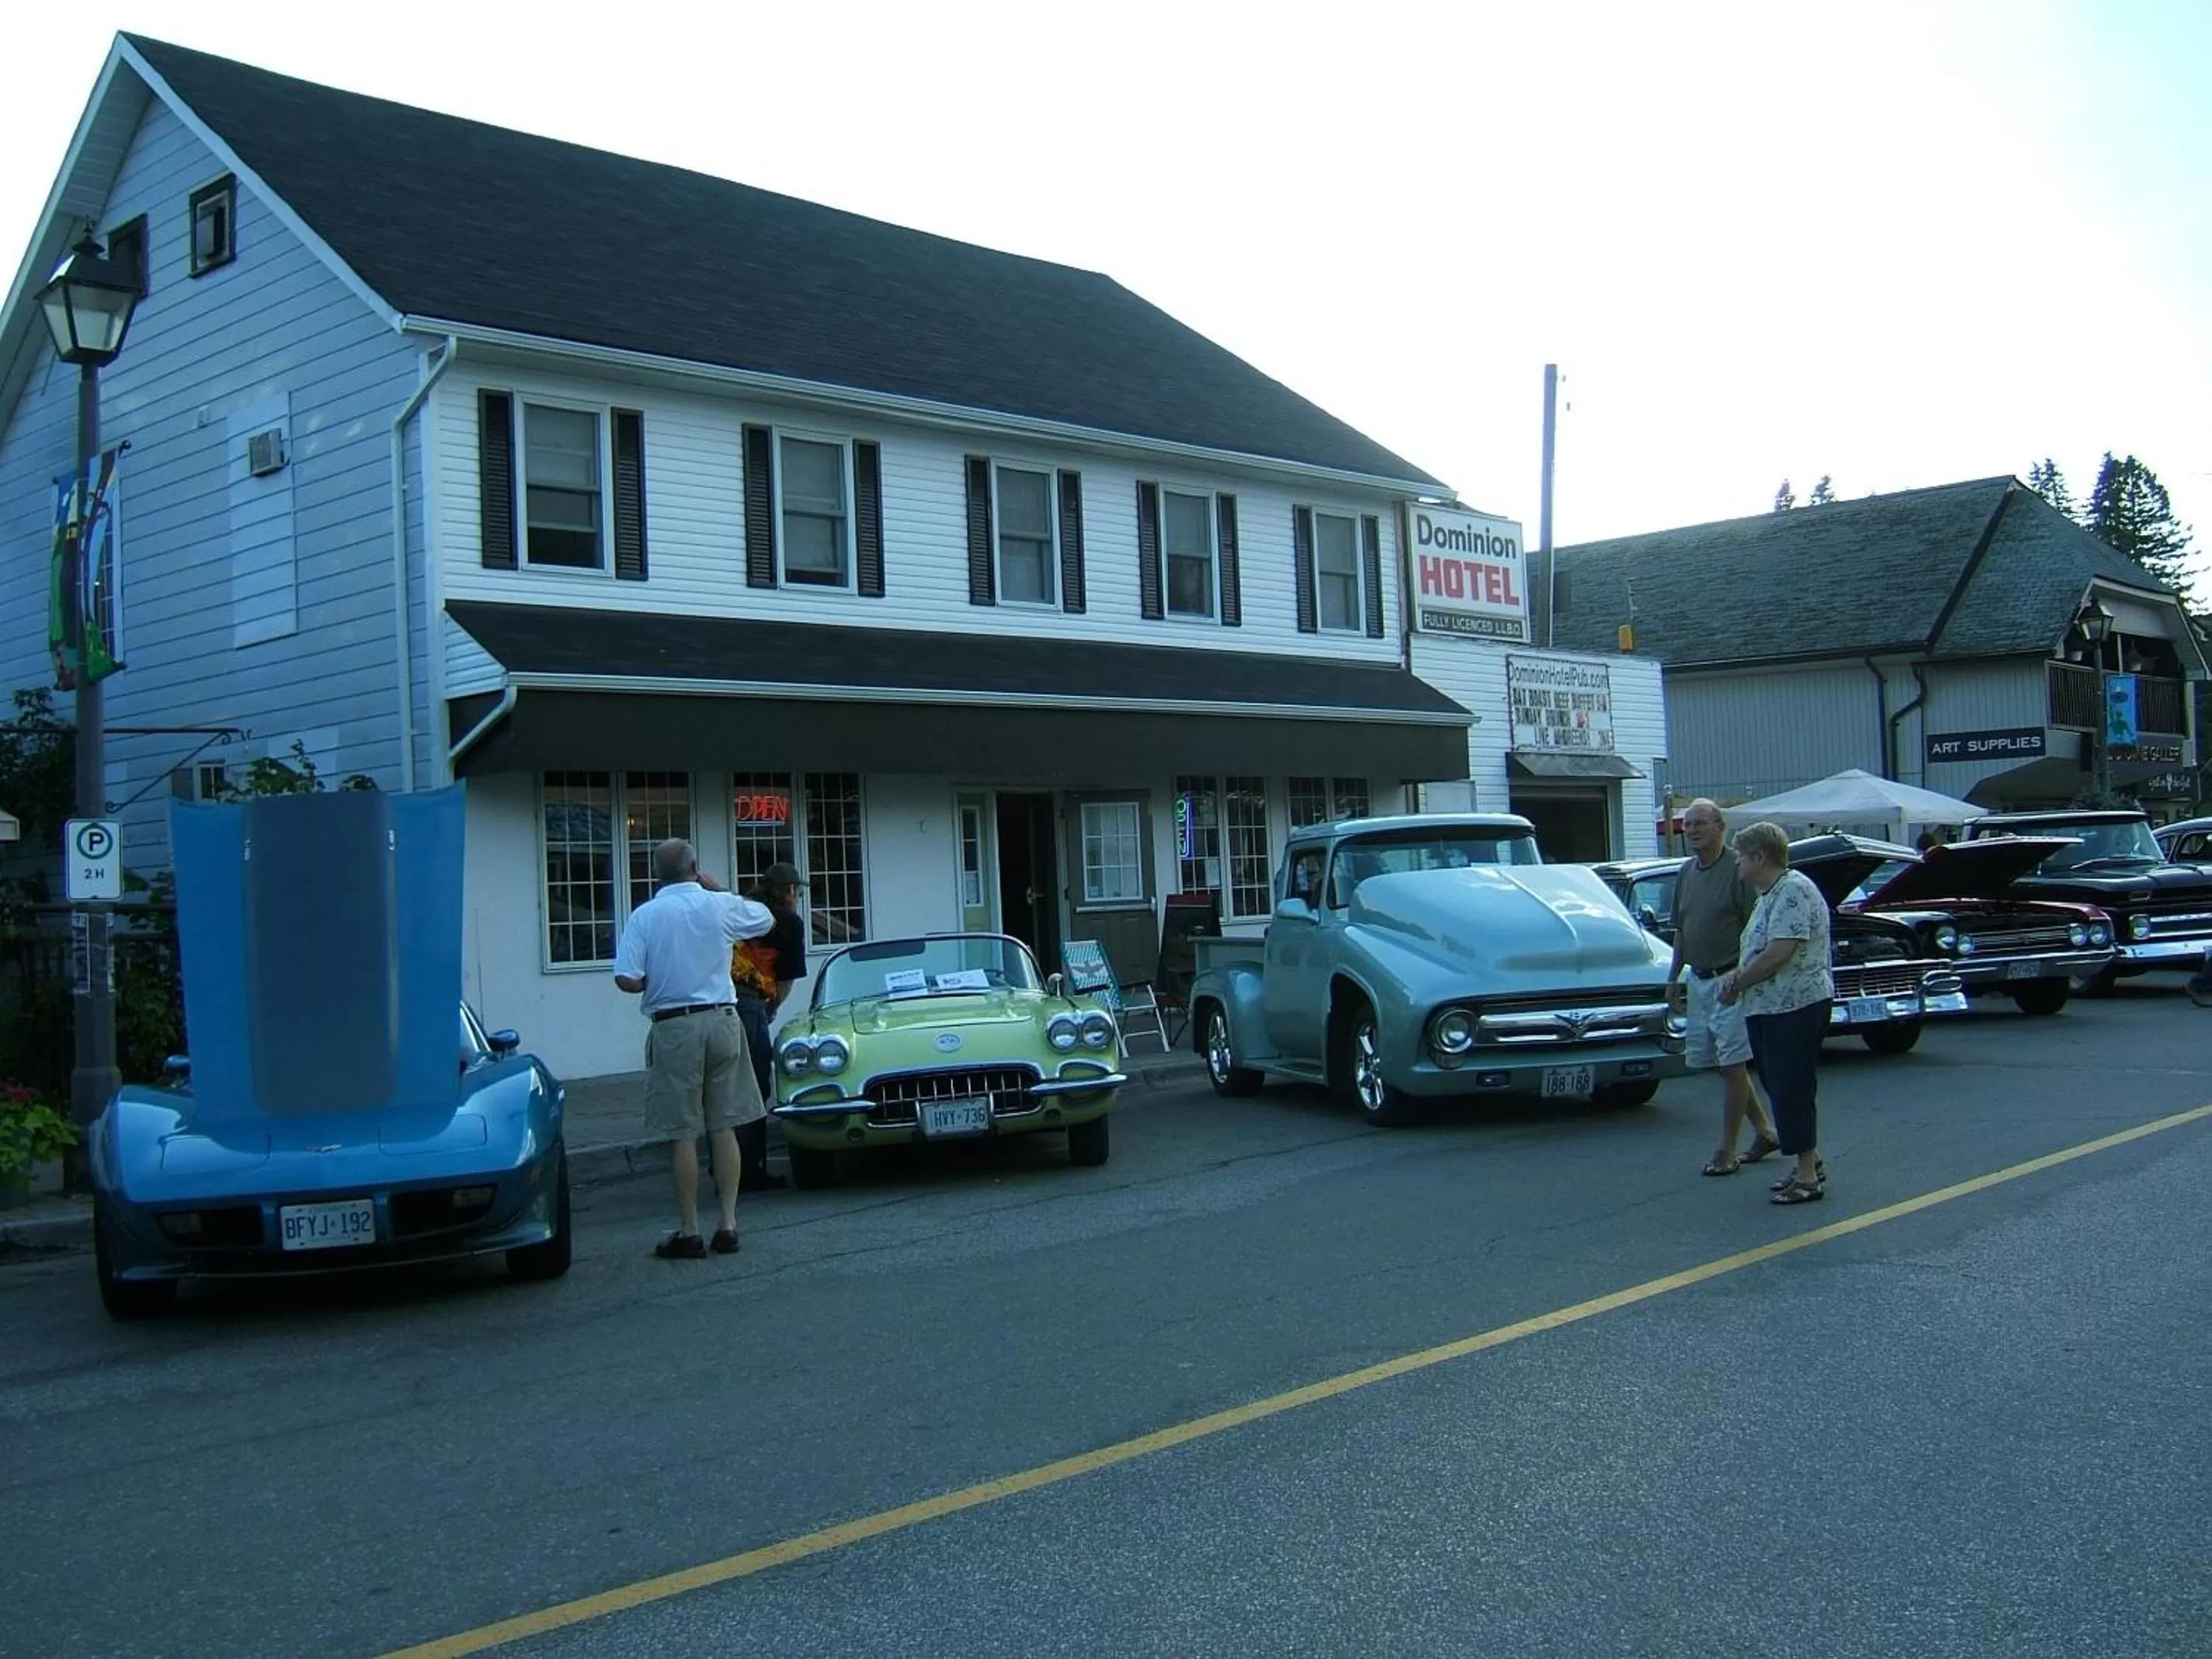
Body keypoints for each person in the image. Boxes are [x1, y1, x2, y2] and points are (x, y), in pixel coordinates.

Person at [611, 838, 776, 1258]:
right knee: (723, 1125)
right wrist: (719, 890)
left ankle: (689, 1230)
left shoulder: (645, 916)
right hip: (722, 1019)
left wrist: (654, 980)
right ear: (695, 868)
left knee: (682, 1131)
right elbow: (764, 919)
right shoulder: (718, 906)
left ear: (656, 873)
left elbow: (627, 978)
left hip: (675, 1026)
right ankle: (728, 1223)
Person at [1719, 822, 1835, 1205]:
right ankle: (1810, 1161)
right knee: (1779, 1085)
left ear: (1759, 857)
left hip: (1796, 1005)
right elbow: (1757, 950)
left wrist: (1739, 982)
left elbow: (1778, 953)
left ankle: (1806, 1178)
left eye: (1741, 855)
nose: (1737, 862)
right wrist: (1739, 976)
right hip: (1767, 1007)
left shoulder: (1793, 891)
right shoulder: (1767, 896)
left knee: (1792, 1087)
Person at [1668, 798, 1780, 1178]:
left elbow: (1757, 930)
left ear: (1721, 827)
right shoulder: (1685, 872)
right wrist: (1673, 979)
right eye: (1688, 825)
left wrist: (1744, 979)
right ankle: (1765, 1131)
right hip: (1698, 980)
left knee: (1733, 1065)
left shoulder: (1738, 869)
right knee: (1722, 1066)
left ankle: (1727, 1150)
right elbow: (1681, 930)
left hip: (1731, 979)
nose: (1694, 830)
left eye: (1701, 823)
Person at [731, 861, 809, 1191]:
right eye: (797, 890)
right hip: (751, 1005)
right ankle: (749, 1171)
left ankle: (724, 1163)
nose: (798, 896)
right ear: (788, 891)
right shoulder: (789, 922)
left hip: (717, 1000)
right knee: (755, 1087)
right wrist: (771, 1009)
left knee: (724, 1087)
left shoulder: (740, 910)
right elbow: (786, 979)